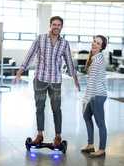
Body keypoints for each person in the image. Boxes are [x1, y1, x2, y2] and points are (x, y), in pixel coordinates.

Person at [14, 16, 79, 147]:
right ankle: (39, 135)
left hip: (55, 81)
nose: (56, 26)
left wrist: (75, 78)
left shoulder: (64, 43)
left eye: (59, 25)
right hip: (40, 80)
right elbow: (30, 55)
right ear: (50, 25)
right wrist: (20, 71)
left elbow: (69, 61)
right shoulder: (40, 39)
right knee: (40, 107)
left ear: (61, 27)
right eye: (54, 24)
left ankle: (58, 136)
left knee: (56, 109)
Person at [81, 35, 107, 158]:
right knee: (86, 116)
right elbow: (91, 79)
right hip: (93, 94)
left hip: (97, 95)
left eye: (98, 43)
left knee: (100, 123)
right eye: (94, 41)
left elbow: (92, 83)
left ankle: (102, 149)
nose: (94, 44)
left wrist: (86, 99)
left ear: (101, 47)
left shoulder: (97, 60)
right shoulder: (94, 57)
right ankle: (90, 144)